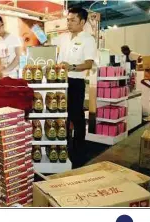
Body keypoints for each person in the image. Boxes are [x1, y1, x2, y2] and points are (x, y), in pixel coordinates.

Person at [51, 7, 97, 168]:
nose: (69, 23)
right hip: (60, 81)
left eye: (73, 20)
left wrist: (72, 67)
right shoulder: (63, 37)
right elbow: (49, 46)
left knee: (76, 117)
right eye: (68, 20)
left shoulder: (88, 39)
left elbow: (89, 63)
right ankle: (64, 146)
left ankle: (79, 152)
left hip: (76, 82)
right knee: (62, 115)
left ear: (82, 22)